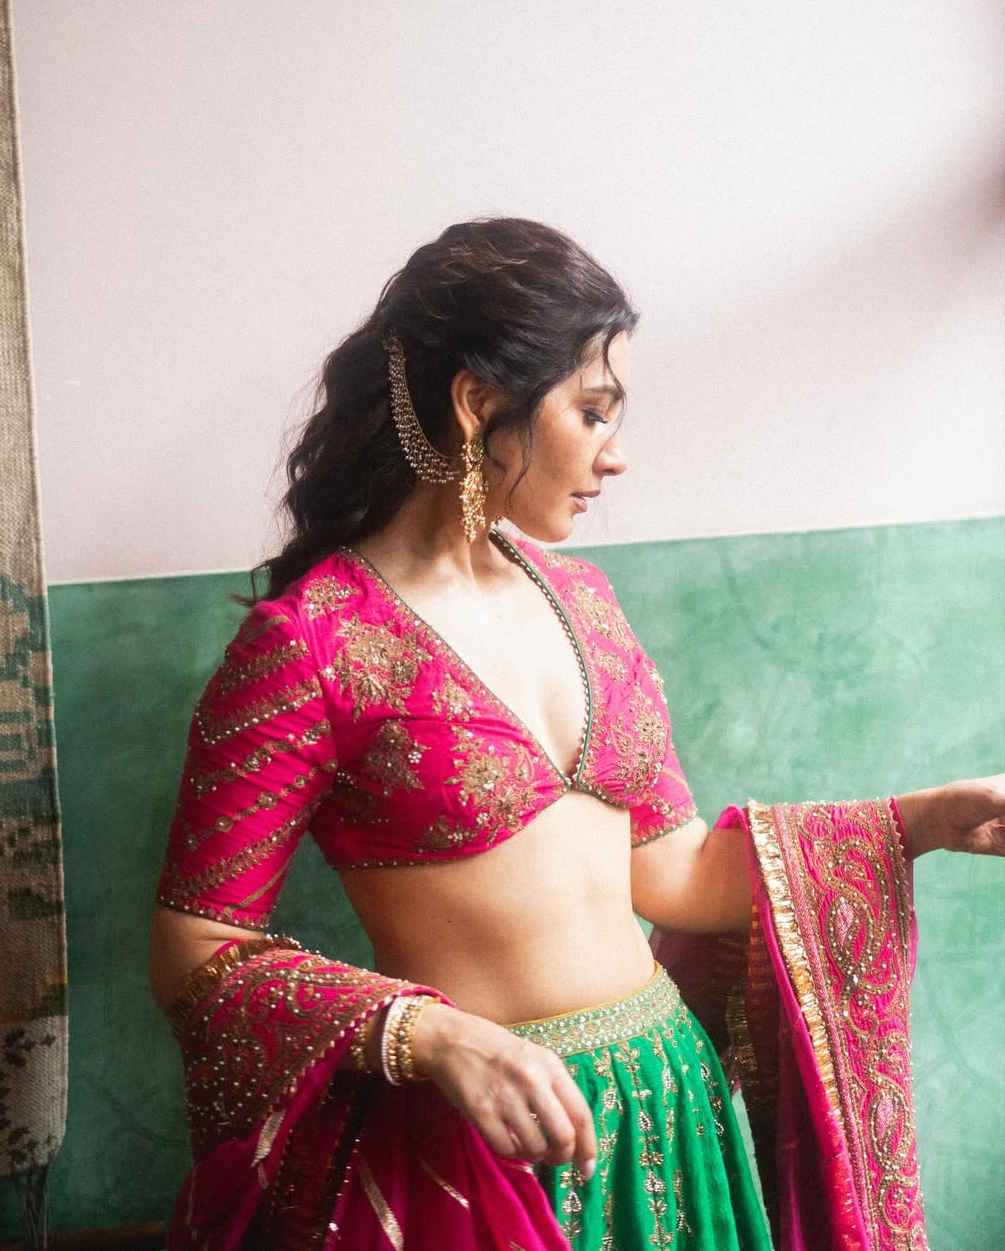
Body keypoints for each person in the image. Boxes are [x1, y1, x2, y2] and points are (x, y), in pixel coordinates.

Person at [150, 218, 1004, 1251]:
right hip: (481, 1141)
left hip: (670, 1114)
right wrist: (433, 1037)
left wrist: (923, 821)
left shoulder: (586, 603)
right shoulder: (313, 643)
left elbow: (678, 874)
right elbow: (195, 947)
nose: (618, 452)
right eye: (592, 411)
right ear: (479, 403)